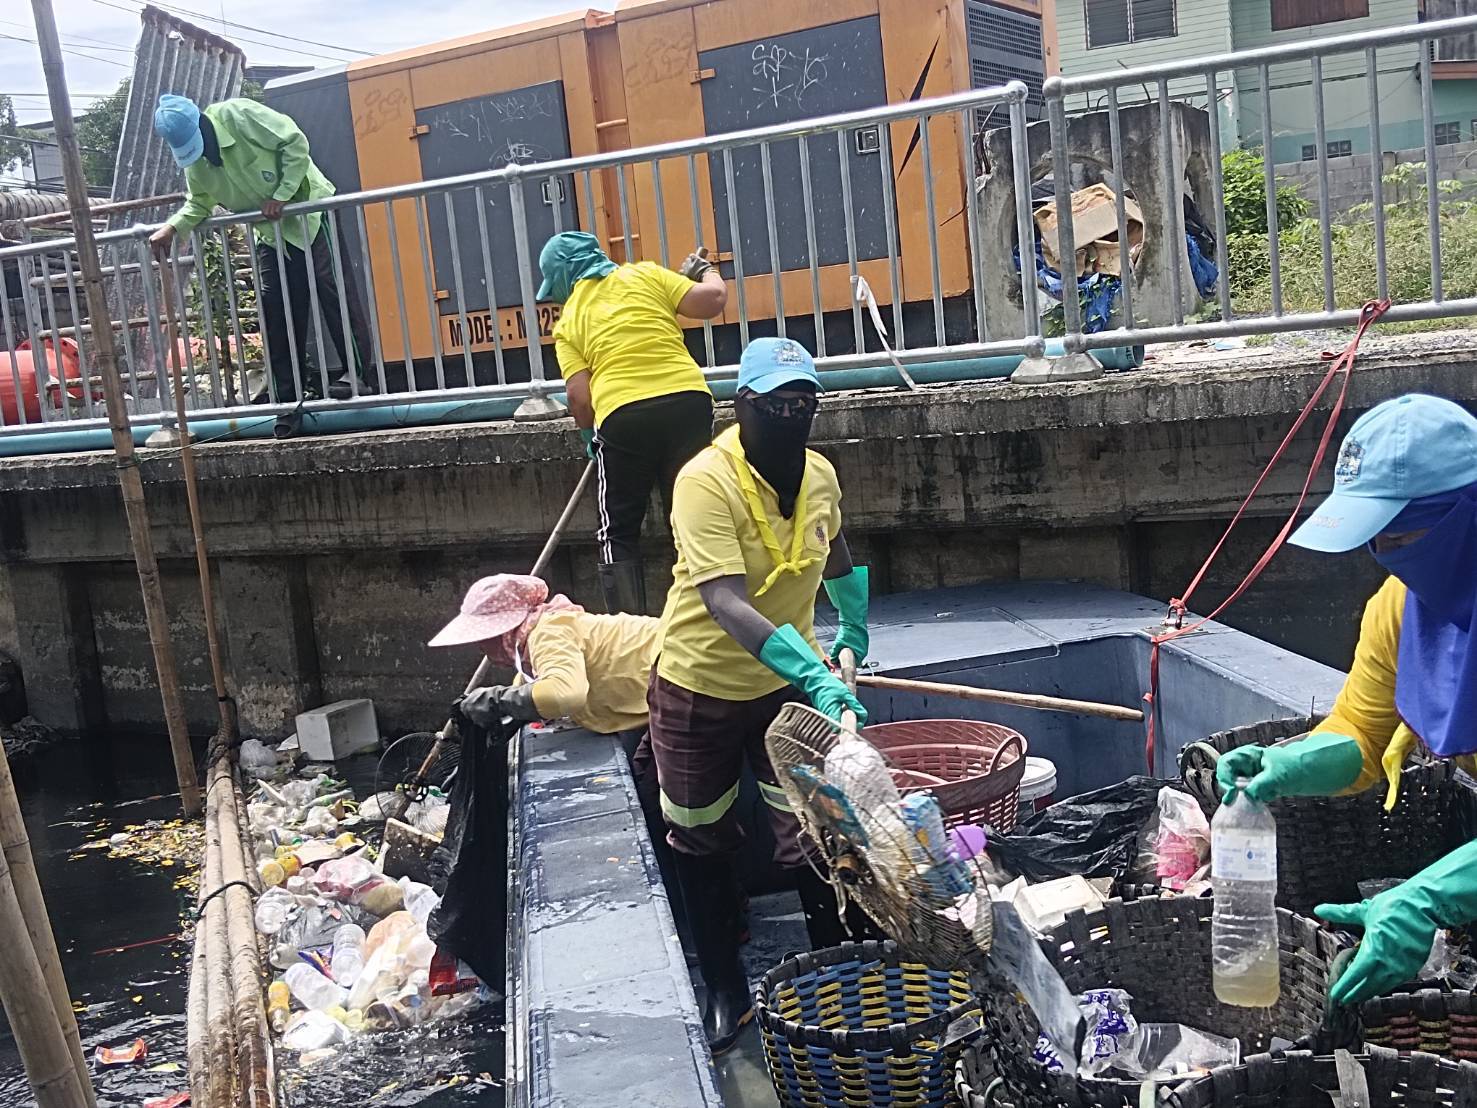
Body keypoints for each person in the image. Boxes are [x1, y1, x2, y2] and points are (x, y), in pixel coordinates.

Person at [1215, 393, 1477, 1007]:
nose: (1385, 552)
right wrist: (1290, 763)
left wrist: (1429, 897)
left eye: (1402, 534)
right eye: (1374, 537)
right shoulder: (1399, 607)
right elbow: (1363, 730)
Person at [647, 336, 871, 1054]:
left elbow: (835, 551)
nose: (792, 414)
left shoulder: (820, 474)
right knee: (700, 835)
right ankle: (725, 988)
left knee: (812, 827)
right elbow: (723, 600)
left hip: (785, 687)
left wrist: (854, 625)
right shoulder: (703, 482)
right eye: (777, 403)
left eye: (804, 402)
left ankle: (838, 974)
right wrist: (814, 674)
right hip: (699, 687)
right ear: (741, 404)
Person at [541, 232, 727, 615]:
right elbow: (713, 300)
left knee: (618, 531)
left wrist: (589, 435)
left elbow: (579, 398)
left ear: (563, 278)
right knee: (694, 513)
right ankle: (709, 613)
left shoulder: (570, 320)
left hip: (623, 416)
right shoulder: (647, 275)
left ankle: (629, 628)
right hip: (687, 403)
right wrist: (706, 271)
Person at [149, 94, 371, 415]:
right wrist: (172, 228)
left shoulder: (239, 115)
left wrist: (282, 195)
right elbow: (199, 202)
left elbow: (294, 142)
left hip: (308, 210)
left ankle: (357, 375)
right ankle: (287, 396)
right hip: (269, 232)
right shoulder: (196, 164)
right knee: (274, 304)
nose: (203, 154)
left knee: (331, 287)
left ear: (202, 124)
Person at [429, 573, 657, 739]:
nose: (479, 646)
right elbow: (534, 685)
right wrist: (516, 713)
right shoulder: (540, 641)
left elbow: (565, 695)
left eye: (482, 636)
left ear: (503, 632)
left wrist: (498, 700)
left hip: (671, 668)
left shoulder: (548, 633)